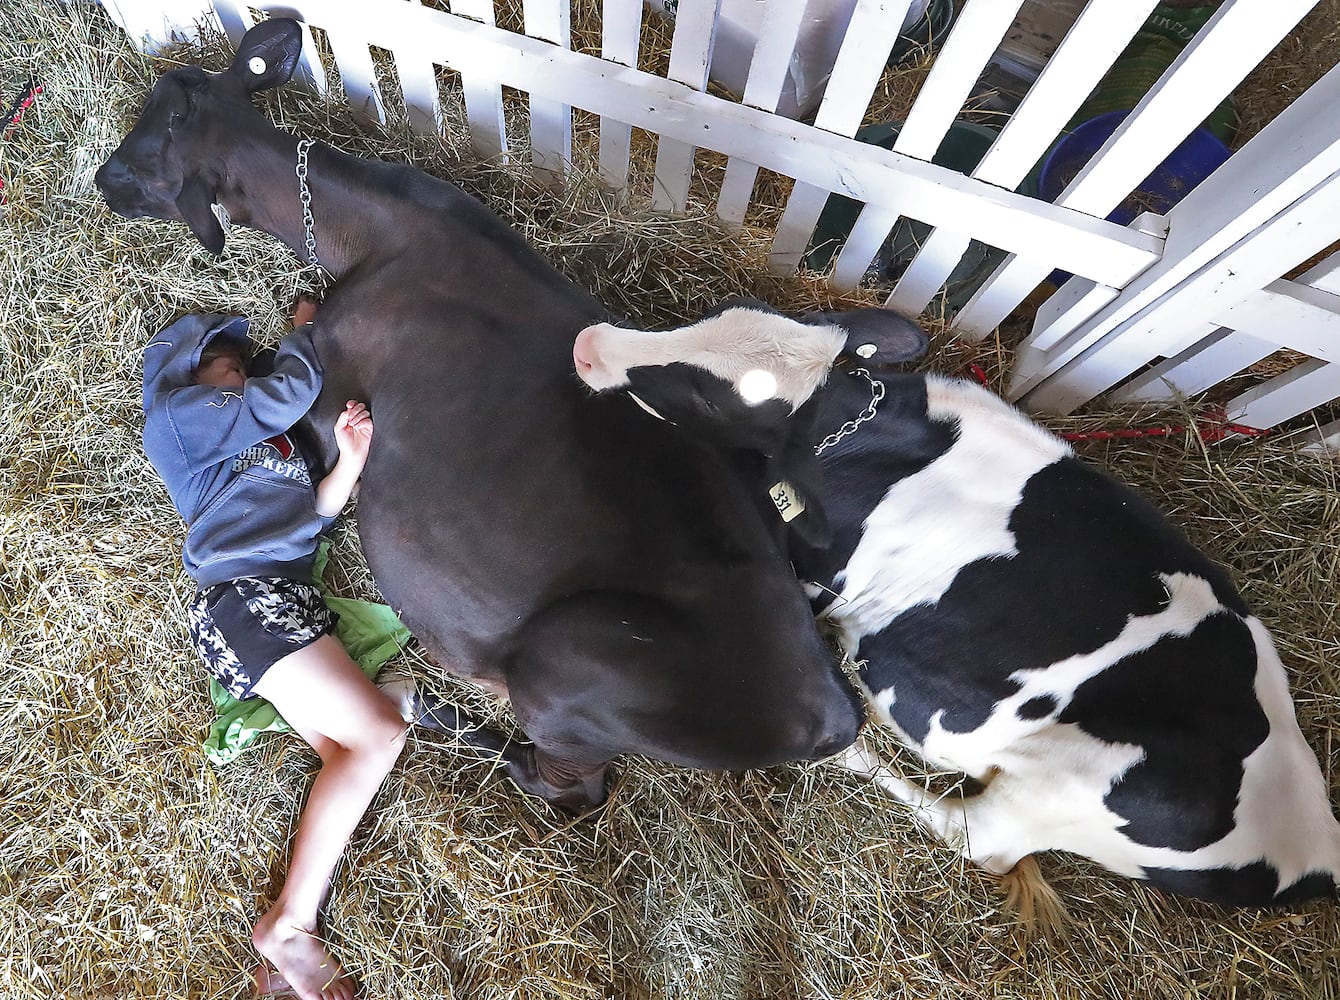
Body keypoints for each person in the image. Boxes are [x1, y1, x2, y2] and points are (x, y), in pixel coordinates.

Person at [141, 305, 405, 1000]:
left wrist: (349, 462)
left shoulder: (266, 443)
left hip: (279, 600)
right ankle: (289, 926)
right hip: (243, 602)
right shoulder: (175, 422)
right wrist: (308, 333)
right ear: (181, 372)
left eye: (239, 352)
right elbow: (282, 391)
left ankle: (277, 971)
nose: (236, 360)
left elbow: (312, 518)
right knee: (380, 732)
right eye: (220, 355)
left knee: (359, 749)